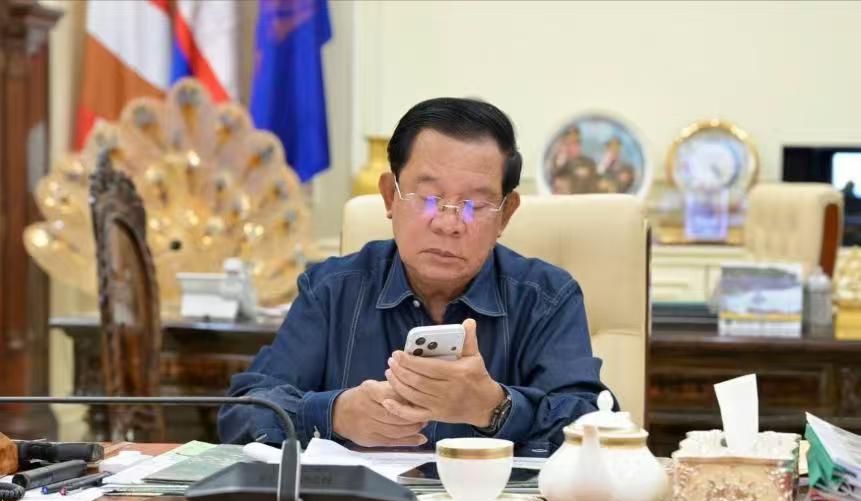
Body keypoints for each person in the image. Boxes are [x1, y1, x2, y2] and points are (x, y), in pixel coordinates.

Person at [218, 97, 610, 456]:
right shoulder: (331, 290)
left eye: (474, 204)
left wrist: (494, 407)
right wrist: (334, 415)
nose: (448, 223)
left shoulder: (546, 298)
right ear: (390, 196)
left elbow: (594, 428)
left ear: (505, 214)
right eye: (429, 198)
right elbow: (242, 413)